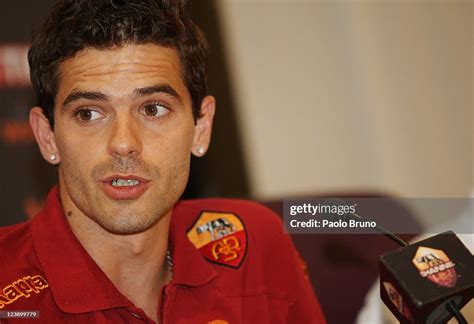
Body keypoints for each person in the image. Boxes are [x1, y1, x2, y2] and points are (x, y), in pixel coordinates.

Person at [0, 0, 326, 323]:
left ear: (202, 128)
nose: (124, 143)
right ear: (47, 137)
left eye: (153, 109)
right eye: (89, 113)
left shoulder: (256, 240)